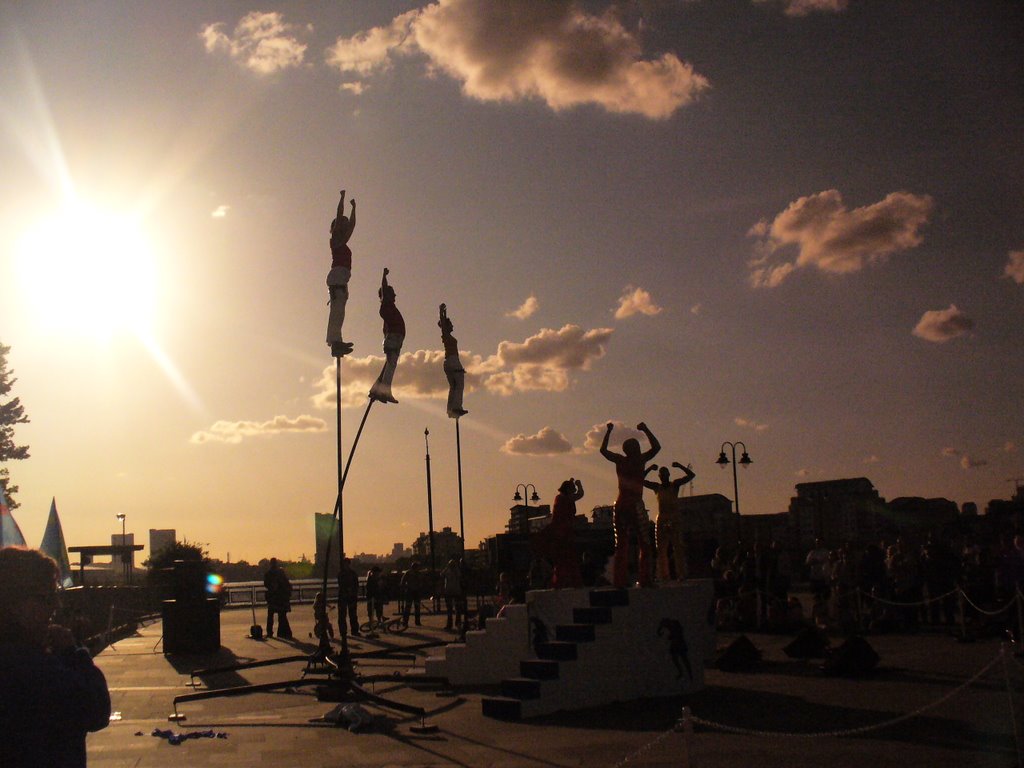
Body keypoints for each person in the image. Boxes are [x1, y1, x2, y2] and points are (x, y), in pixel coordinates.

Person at [0, 547, 111, 768]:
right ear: (15, 603)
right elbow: (96, 709)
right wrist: (73, 653)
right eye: (47, 598)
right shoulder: (32, 667)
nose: (55, 606)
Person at [600, 422, 661, 588]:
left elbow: (603, 451)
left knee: (621, 544)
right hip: (635, 503)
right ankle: (645, 578)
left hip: (619, 504)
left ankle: (619, 579)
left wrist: (609, 431)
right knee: (644, 543)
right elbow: (656, 447)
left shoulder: (620, 460)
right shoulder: (640, 459)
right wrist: (646, 429)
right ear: (636, 449)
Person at [643, 462, 695, 582]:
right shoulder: (657, 487)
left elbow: (691, 475)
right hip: (661, 518)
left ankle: (681, 573)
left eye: (665, 474)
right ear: (660, 477)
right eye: (662, 475)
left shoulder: (675, 485)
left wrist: (680, 466)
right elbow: (641, 480)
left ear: (668, 475)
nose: (664, 477)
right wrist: (650, 468)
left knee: (678, 547)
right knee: (661, 549)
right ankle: (663, 574)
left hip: (674, 518)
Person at [326, 190, 356, 357]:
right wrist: (342, 199)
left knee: (340, 312)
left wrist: (354, 209)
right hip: (337, 276)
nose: (345, 227)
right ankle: (334, 342)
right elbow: (339, 217)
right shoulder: (336, 240)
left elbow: (352, 225)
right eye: (342, 225)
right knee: (337, 311)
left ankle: (337, 341)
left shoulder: (343, 242)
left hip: (342, 279)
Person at [369, 268, 404, 403]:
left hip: (394, 340)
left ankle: (376, 390)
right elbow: (384, 289)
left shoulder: (390, 308)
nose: (395, 296)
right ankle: (385, 392)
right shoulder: (386, 306)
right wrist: (384, 276)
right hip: (393, 339)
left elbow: (385, 330)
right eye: (393, 294)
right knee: (391, 366)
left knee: (388, 366)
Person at [546, 478, 585, 589]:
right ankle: (572, 582)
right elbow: (580, 494)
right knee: (569, 558)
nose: (574, 491)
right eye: (573, 489)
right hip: (564, 534)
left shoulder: (559, 498)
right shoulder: (566, 499)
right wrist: (579, 484)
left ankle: (559, 582)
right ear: (568, 489)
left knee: (562, 561)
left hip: (559, 534)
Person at [438, 304, 469, 418]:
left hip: (448, 361)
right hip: (453, 360)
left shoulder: (447, 336)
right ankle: (456, 407)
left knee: (453, 387)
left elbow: (443, 324)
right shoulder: (446, 335)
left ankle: (450, 408)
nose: (452, 326)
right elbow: (443, 325)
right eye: (450, 324)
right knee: (459, 385)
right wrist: (441, 313)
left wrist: (445, 313)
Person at [263, 558, 292, 639]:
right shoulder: (281, 573)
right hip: (281, 598)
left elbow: (266, 584)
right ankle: (283, 632)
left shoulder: (268, 574)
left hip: (273, 597)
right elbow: (286, 584)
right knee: (281, 615)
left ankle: (270, 632)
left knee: (270, 615)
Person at [337, 557, 360, 637]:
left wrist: (353, 592)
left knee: (352, 614)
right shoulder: (344, 574)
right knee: (343, 615)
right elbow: (341, 585)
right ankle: (344, 631)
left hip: (348, 596)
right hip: (345, 596)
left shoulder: (348, 574)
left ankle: (353, 630)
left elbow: (356, 585)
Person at [439, 559, 464, 630]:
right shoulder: (457, 571)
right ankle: (457, 623)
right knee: (456, 609)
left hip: (450, 591)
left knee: (450, 609)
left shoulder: (448, 571)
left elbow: (441, 574)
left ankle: (450, 624)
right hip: (455, 591)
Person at [400, 562, 423, 627]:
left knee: (416, 607)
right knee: (408, 607)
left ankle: (416, 621)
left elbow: (421, 582)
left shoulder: (416, 573)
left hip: (415, 591)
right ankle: (406, 621)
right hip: (410, 591)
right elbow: (403, 581)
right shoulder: (409, 573)